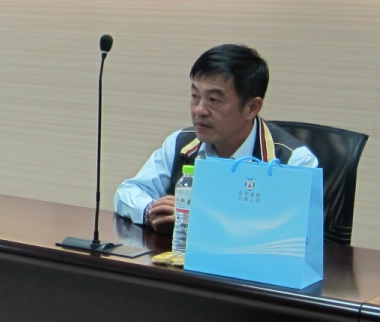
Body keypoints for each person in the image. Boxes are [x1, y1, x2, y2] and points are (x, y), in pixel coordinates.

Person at [114, 43, 318, 232]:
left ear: (252, 107)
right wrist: (151, 210)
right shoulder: (180, 144)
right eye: (195, 96)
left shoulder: (293, 161)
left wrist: (202, 219)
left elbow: (297, 232)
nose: (199, 110)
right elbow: (128, 192)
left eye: (214, 100)